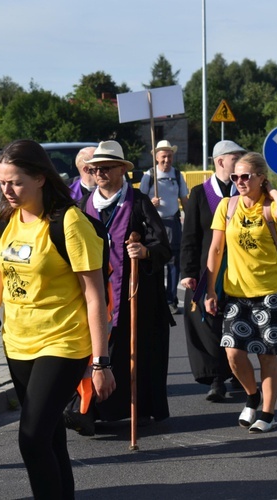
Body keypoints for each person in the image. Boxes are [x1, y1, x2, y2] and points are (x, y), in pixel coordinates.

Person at [0, 139, 115, 499]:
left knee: (31, 438)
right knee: (50, 437)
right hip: (18, 344)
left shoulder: (69, 223)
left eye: (16, 182)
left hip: (63, 343)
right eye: (2, 182)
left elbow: (95, 296)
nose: (7, 190)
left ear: (41, 178)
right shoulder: (3, 223)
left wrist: (101, 362)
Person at [80, 140, 173, 425]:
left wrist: (145, 252)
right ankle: (92, 411)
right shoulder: (84, 205)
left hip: (134, 295)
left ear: (122, 169)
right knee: (96, 354)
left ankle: (134, 409)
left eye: (106, 168)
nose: (99, 173)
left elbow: (163, 246)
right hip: (96, 293)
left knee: (131, 355)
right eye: (94, 169)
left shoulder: (138, 202)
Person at [204, 152, 277, 433]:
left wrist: (271, 189)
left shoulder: (269, 206)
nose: (240, 181)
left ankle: (267, 412)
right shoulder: (227, 206)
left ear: (260, 177)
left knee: (266, 354)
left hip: (270, 291)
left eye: (246, 176)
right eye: (235, 177)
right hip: (236, 292)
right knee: (233, 352)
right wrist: (209, 289)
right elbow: (217, 249)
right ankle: (252, 395)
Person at [180, 140, 246, 402]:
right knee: (207, 323)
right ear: (220, 161)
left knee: (238, 321)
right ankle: (217, 379)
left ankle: (240, 371)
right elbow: (190, 237)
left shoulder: (244, 192)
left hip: (240, 270)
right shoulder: (199, 194)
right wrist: (187, 271)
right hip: (208, 270)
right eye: (235, 158)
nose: (240, 163)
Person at [139, 139, 189, 315]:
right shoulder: (149, 175)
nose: (166, 161)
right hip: (154, 225)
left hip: (172, 222)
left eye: (169, 157)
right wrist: (150, 203)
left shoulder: (177, 175)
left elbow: (184, 199)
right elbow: (140, 200)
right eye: (163, 157)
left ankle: (171, 300)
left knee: (174, 262)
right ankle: (158, 299)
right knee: (157, 260)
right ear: (156, 158)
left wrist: (191, 220)